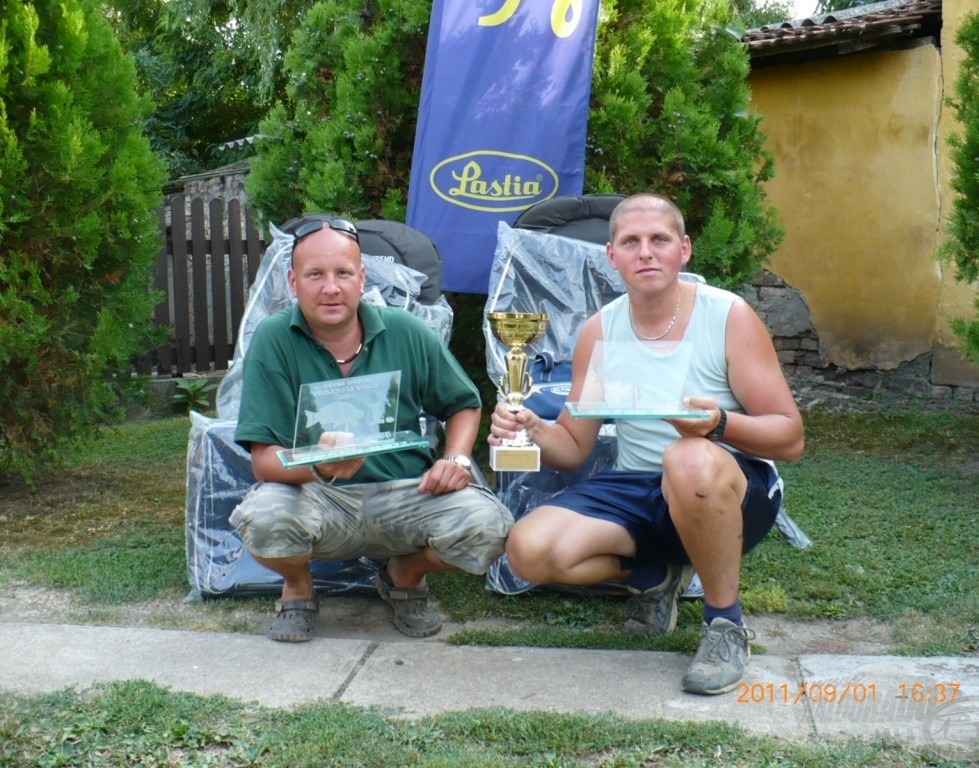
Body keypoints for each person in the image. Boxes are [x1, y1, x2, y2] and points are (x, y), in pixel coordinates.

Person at [488, 193, 804, 695]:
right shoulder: (600, 331)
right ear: (611, 256)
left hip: (731, 488)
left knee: (688, 459)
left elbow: (789, 436)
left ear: (685, 249)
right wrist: (529, 427)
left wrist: (719, 424)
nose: (646, 252)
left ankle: (725, 626)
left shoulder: (729, 316)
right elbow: (573, 447)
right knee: (528, 550)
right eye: (630, 242)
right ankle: (654, 577)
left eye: (659, 239)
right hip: (638, 487)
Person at [230, 214, 512, 642]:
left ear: (361, 277)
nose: (330, 287)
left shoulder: (406, 330)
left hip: (407, 494)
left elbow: (464, 404)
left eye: (343, 273)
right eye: (315, 275)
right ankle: (298, 586)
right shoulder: (273, 338)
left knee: (487, 526)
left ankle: (404, 573)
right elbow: (264, 462)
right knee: (263, 519)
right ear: (293, 281)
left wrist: (454, 457)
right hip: (315, 495)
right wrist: (321, 467)